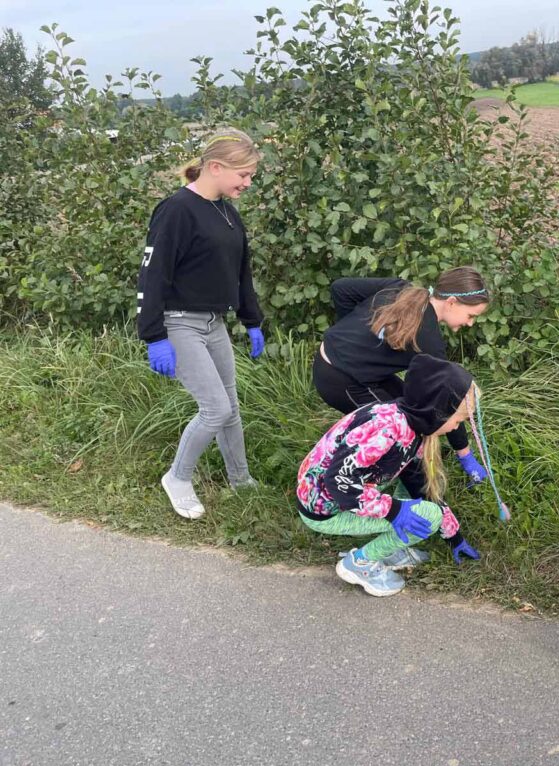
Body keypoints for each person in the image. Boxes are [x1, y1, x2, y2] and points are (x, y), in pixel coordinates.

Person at [136, 128, 265, 519]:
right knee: (215, 409)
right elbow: (152, 275)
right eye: (243, 175)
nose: (247, 183)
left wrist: (252, 320)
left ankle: (240, 479)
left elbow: (241, 272)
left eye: (250, 177)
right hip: (179, 324)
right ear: (214, 166)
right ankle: (177, 478)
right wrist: (154, 336)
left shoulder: (227, 211)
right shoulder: (176, 210)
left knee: (231, 407)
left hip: (214, 323)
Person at [296, 354, 485, 596]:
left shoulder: (407, 422)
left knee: (418, 482)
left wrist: (454, 536)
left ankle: (392, 548)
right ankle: (360, 562)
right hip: (325, 510)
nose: (456, 428)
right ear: (437, 412)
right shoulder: (386, 432)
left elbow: (420, 484)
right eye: (458, 420)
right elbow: (339, 481)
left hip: (337, 494)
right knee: (429, 517)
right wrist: (394, 511)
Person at [313, 267, 490, 487]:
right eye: (471, 315)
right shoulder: (429, 342)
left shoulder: (401, 288)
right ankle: (422, 504)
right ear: (452, 302)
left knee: (408, 409)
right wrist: (465, 455)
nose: (470, 323)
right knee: (402, 436)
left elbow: (341, 289)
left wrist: (349, 334)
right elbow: (449, 402)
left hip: (343, 363)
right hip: (341, 380)